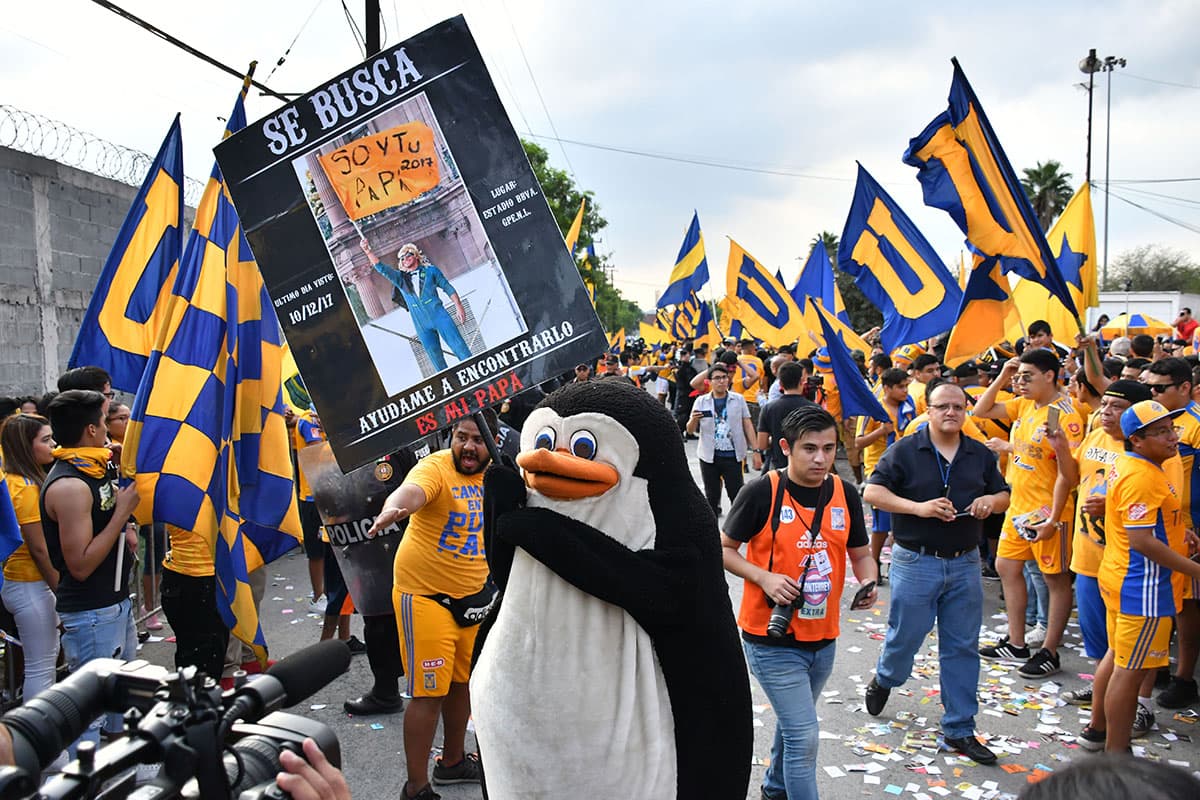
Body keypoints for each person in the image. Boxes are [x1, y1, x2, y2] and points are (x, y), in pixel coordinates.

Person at [721, 405, 877, 800]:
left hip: (823, 639)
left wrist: (869, 580)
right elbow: (722, 549)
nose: (821, 458)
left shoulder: (844, 492)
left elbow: (860, 553)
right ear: (786, 447)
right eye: (810, 449)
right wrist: (765, 577)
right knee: (804, 735)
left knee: (794, 725)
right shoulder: (761, 492)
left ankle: (774, 789)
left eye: (828, 448)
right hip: (770, 638)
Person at [862, 382, 1010, 764]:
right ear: (927, 410)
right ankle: (886, 677)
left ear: (965, 411)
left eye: (958, 407)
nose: (950, 413)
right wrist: (918, 508)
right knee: (905, 638)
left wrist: (988, 502)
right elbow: (873, 493)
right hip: (916, 561)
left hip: (964, 563)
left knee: (961, 646)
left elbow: (1003, 495)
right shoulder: (906, 451)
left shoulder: (978, 454)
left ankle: (960, 728)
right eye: (942, 406)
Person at [367, 414, 497, 800]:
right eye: (461, 437)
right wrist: (394, 508)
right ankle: (416, 787)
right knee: (429, 692)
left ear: (493, 443)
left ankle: (453, 763)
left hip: (473, 599)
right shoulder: (435, 466)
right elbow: (413, 492)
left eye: (477, 440)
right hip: (424, 596)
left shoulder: (499, 475)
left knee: (463, 684)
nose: (468, 447)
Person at [1081, 400, 1200, 753]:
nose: (1171, 437)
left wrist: (1181, 533)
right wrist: (1195, 569)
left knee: (1119, 658)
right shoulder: (1143, 476)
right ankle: (1117, 754)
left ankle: (1098, 731)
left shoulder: (1134, 464)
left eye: (1171, 429)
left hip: (1122, 576)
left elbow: (1147, 523)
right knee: (1129, 673)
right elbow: (1142, 541)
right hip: (1143, 586)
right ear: (1137, 439)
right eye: (1161, 432)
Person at [973, 349, 1084, 678]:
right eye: (1018, 377)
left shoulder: (1066, 413)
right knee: (1006, 566)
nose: (1020, 383)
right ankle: (1017, 642)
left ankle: (1050, 650)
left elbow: (1072, 473)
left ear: (1050, 375)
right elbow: (982, 409)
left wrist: (1052, 517)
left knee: (1055, 579)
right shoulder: (1023, 405)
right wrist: (1003, 377)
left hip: (1050, 510)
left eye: (1027, 376)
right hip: (1019, 504)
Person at [39, 389, 139, 745]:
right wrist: (122, 516)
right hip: (92, 611)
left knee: (121, 705)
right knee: (90, 717)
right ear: (91, 430)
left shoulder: (94, 464)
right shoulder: (69, 485)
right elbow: (79, 564)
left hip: (115, 604)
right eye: (103, 422)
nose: (109, 430)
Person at [1045, 381, 1151, 711]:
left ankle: (1141, 705)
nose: (1105, 413)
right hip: (1088, 554)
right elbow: (1073, 475)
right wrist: (1061, 447)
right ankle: (1103, 689)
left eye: (1115, 408)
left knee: (1134, 641)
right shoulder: (1096, 434)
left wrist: (1112, 505)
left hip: (1126, 561)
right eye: (1103, 405)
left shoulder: (1146, 450)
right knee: (1097, 636)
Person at [1143, 359, 1200, 710]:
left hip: (1189, 529)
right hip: (1158, 525)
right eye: (1149, 387)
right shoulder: (1145, 421)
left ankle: (1184, 676)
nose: (1153, 393)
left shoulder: (1195, 425)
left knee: (1187, 607)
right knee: (1161, 601)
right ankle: (1157, 664)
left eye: (1159, 388)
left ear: (1184, 388)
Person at [0, 415, 61, 704]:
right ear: (26, 446)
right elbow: (39, 549)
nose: (54, 445)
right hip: (30, 584)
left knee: (42, 664)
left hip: (27, 583)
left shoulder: (20, 481)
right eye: (46, 440)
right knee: (41, 667)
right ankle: (43, 742)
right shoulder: (24, 487)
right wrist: (62, 590)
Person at [359, 239, 472, 373]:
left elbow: (447, 287)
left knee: (460, 347)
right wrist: (368, 251)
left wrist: (458, 305)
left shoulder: (431, 271)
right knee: (436, 359)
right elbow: (382, 268)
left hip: (440, 316)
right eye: (402, 257)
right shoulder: (401, 278)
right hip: (421, 324)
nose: (405, 258)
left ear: (415, 255)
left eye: (408, 255)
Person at [856, 368, 917, 582]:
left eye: (906, 386)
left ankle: (897, 563)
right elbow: (859, 442)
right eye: (900, 387)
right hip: (879, 469)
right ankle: (874, 561)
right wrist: (881, 431)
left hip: (905, 466)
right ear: (887, 388)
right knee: (881, 522)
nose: (904, 390)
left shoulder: (909, 407)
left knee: (901, 517)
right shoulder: (873, 410)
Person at [687, 363, 762, 516]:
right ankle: (712, 534)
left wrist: (756, 451)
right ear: (710, 381)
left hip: (732, 456)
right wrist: (694, 420)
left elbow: (747, 425)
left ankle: (736, 530)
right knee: (711, 497)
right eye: (717, 378)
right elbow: (689, 430)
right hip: (709, 457)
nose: (721, 381)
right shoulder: (701, 402)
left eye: (724, 378)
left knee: (737, 495)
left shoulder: (738, 399)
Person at [159, 524, 230, 679]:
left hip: (177, 575)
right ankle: (198, 699)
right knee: (205, 662)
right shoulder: (213, 499)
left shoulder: (171, 499)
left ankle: (189, 695)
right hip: (203, 577)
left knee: (188, 652)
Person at [757, 362, 817, 471]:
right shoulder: (814, 409)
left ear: (780, 384)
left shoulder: (769, 408)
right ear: (801, 382)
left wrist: (775, 439)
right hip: (808, 465)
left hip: (779, 466)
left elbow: (762, 444)